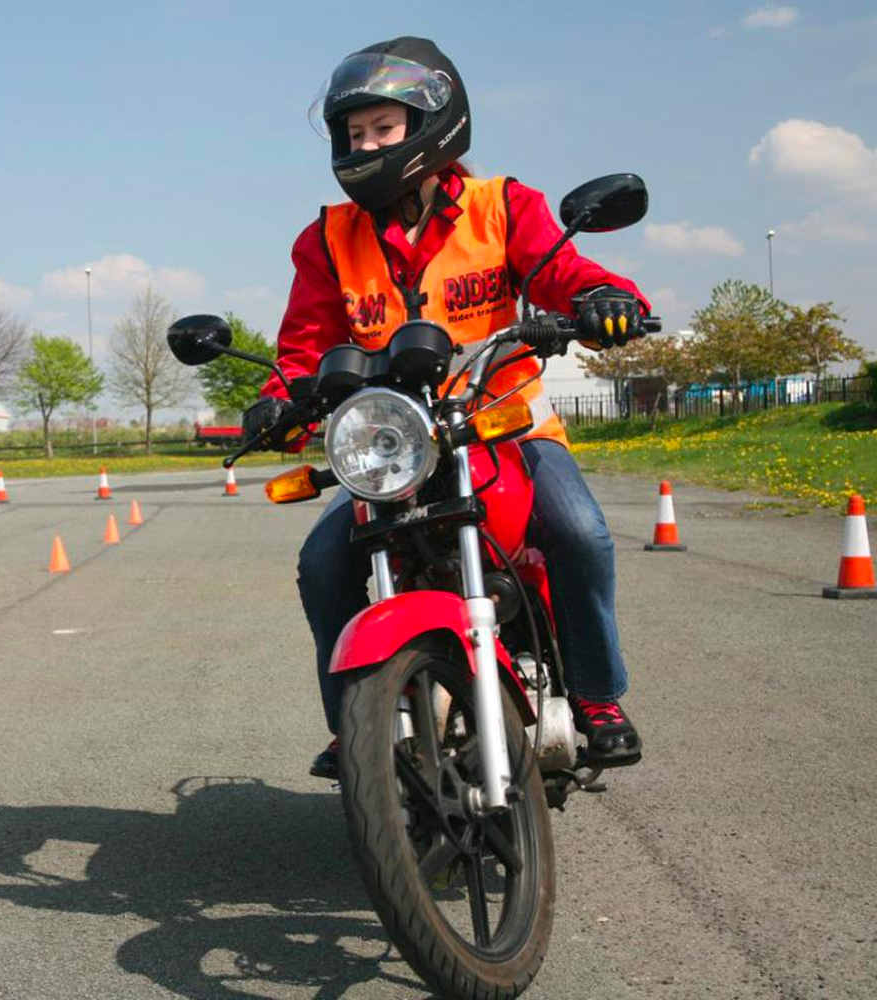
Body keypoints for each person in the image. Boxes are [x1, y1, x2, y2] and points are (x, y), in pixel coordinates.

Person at [246, 37, 651, 781]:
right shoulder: (328, 239)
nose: (366, 144)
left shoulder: (502, 206)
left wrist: (601, 298)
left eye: (382, 128)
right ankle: (356, 724)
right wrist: (277, 400)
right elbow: (305, 344)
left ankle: (596, 695)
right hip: (393, 444)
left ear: (433, 123)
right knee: (321, 565)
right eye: (355, 133)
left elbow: (561, 269)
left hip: (505, 423)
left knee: (580, 531)